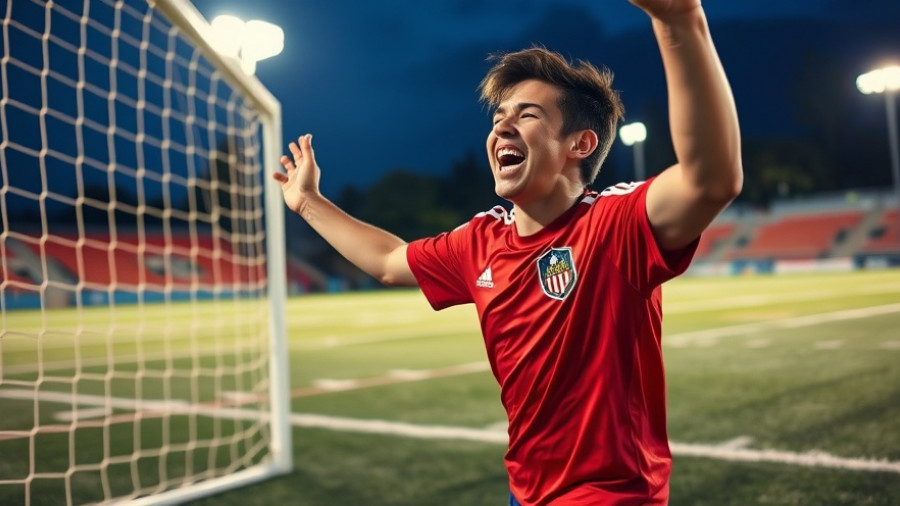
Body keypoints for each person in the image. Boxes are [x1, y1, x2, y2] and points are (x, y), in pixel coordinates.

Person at [273, 0, 741, 503]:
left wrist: (679, 21)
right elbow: (389, 261)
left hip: (610, 493)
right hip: (526, 489)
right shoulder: (480, 241)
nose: (501, 128)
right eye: (499, 117)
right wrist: (307, 203)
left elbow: (710, 180)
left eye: (528, 114)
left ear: (579, 144)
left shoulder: (613, 223)